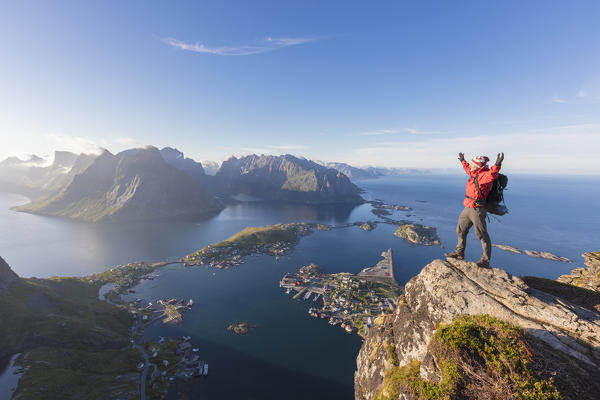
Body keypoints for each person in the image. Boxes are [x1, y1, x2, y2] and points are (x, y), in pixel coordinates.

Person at [445, 152, 504, 268]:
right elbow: (468, 169)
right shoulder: (474, 173)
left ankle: (486, 260)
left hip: (477, 209)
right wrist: (463, 161)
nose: (470, 166)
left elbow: (493, 174)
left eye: (472, 164)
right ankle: (459, 252)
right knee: (460, 230)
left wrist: (497, 164)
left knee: (481, 234)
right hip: (468, 207)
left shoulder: (484, 176)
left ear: (477, 166)